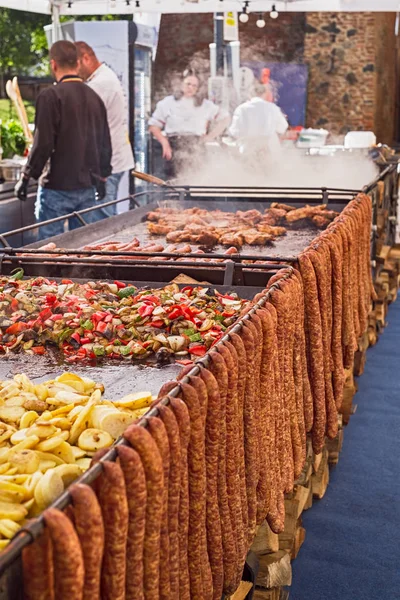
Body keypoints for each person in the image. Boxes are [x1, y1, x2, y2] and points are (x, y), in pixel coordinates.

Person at [14, 41, 112, 241]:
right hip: (87, 186)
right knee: (83, 245)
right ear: (77, 63)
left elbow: (43, 143)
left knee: (51, 246)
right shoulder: (94, 97)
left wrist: (26, 178)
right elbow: (105, 143)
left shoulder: (50, 96)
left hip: (56, 187)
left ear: (53, 65)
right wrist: (102, 177)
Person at [75, 41, 135, 219]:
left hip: (107, 164)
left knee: (101, 219)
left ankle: (107, 248)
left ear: (85, 58)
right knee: (104, 214)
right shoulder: (104, 77)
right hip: (115, 159)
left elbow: (86, 128)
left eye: (74, 65)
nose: (74, 72)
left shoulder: (99, 85)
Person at [148, 69, 230, 179]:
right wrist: (164, 142)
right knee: (172, 181)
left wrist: (209, 137)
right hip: (173, 146)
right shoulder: (168, 103)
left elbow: (225, 118)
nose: (191, 88)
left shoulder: (205, 105)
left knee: (195, 179)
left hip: (196, 147)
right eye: (188, 84)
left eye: (194, 86)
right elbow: (154, 126)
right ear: (181, 84)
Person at [229, 80, 288, 166]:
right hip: (269, 150)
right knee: (270, 177)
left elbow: (235, 131)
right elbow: (282, 127)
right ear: (264, 94)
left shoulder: (241, 109)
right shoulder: (272, 108)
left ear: (249, 94)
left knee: (249, 176)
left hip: (248, 150)